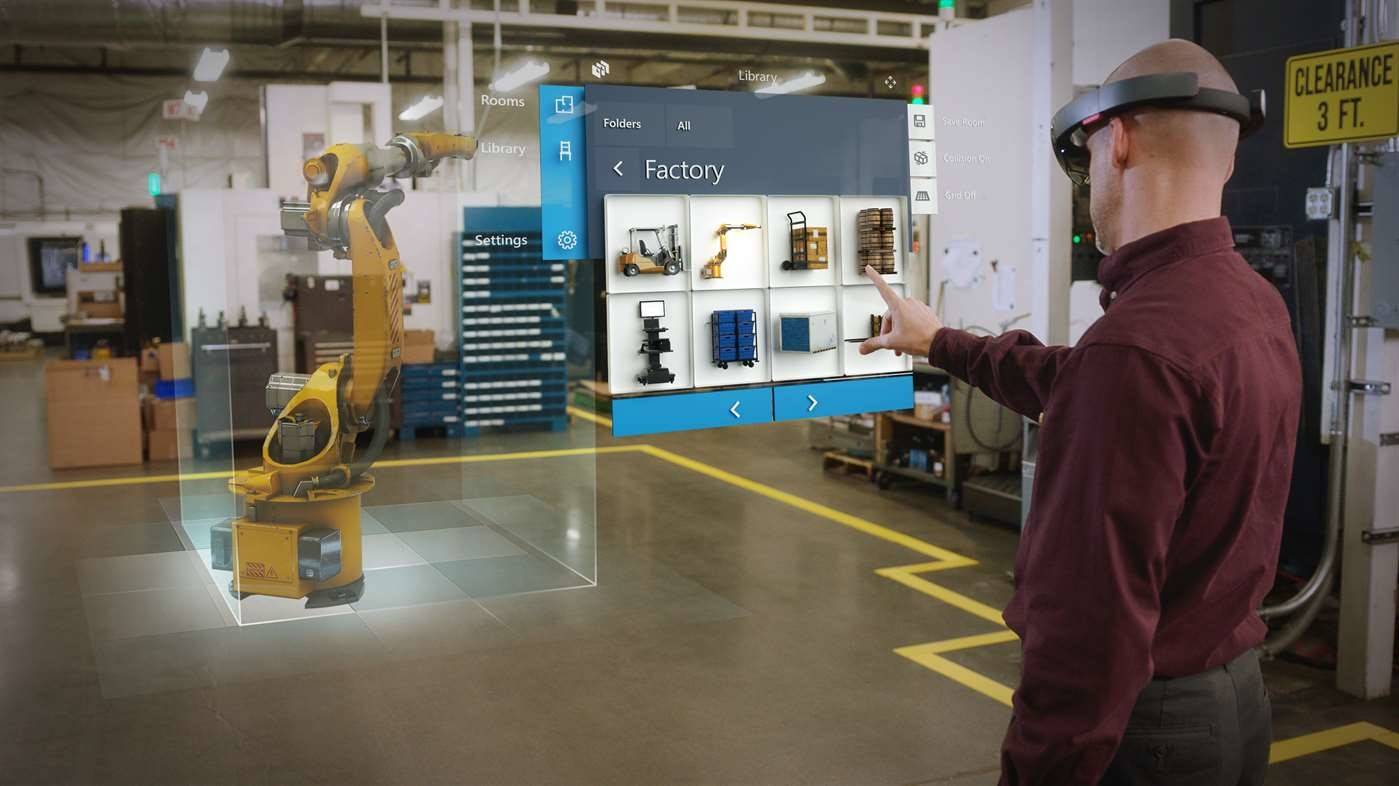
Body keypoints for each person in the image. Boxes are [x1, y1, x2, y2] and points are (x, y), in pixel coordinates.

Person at [860, 39, 1301, 786]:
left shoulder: (1136, 346)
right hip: (1232, 702)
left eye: (1087, 157)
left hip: (1146, 730)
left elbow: (1088, 629)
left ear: (1116, 140)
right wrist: (939, 341)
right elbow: (1074, 381)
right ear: (1225, 160)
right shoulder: (1247, 301)